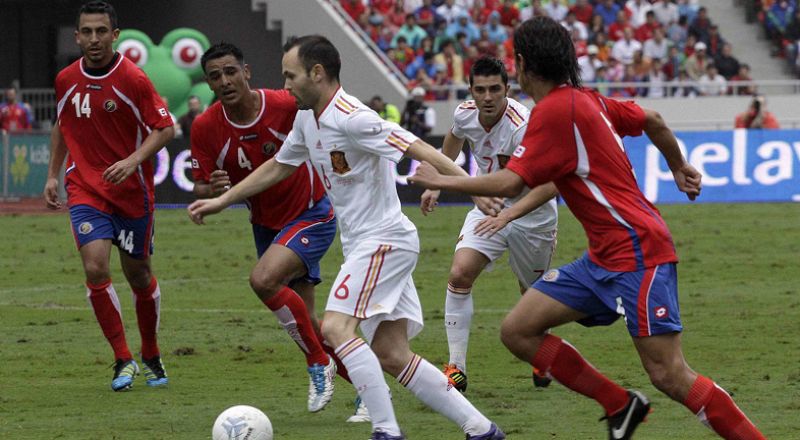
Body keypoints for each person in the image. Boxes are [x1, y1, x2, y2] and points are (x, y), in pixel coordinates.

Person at [409, 16, 766, 440]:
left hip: (638, 252)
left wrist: (439, 179)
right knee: (518, 330)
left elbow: (510, 183)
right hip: (602, 258)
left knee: (669, 374)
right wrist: (678, 165)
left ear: (521, 64)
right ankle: (619, 403)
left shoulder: (553, 113)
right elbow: (652, 118)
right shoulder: (586, 100)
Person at [188, 34, 505, 440]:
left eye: (291, 76)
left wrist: (473, 189)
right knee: (392, 354)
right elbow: (279, 166)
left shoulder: (353, 117)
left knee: (336, 329)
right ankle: (480, 429)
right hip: (366, 244)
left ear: (317, 74)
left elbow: (420, 148)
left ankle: (386, 431)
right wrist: (223, 200)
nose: (285, 86)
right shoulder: (307, 117)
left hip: (385, 239)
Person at [189, 42, 346, 415]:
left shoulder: (285, 104)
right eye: (215, 76)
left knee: (263, 281)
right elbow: (199, 183)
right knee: (307, 324)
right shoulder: (205, 127)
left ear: (246, 72)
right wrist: (209, 188)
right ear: (208, 84)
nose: (225, 81)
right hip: (265, 226)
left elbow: (329, 115)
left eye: (230, 72)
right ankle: (371, 387)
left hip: (311, 214)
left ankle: (318, 364)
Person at [42, 1, 175, 392]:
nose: (94, 39)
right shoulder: (66, 78)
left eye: (102, 31)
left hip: (131, 194)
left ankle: (150, 352)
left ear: (115, 35)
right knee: (96, 267)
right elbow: (62, 125)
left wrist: (133, 161)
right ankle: (122, 359)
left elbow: (165, 129)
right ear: (77, 36)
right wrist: (53, 175)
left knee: (139, 275)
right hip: (85, 187)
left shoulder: (133, 79)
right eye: (87, 32)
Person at [419, 57, 559, 393]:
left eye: (495, 89)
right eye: (480, 89)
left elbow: (552, 183)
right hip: (487, 206)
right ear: (470, 90)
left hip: (531, 216)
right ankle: (456, 366)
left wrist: (509, 214)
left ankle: (542, 354)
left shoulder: (524, 124)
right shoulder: (464, 113)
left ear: (507, 89)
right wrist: (437, 180)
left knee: (532, 296)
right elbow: (451, 144)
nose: (487, 97)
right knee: (459, 273)